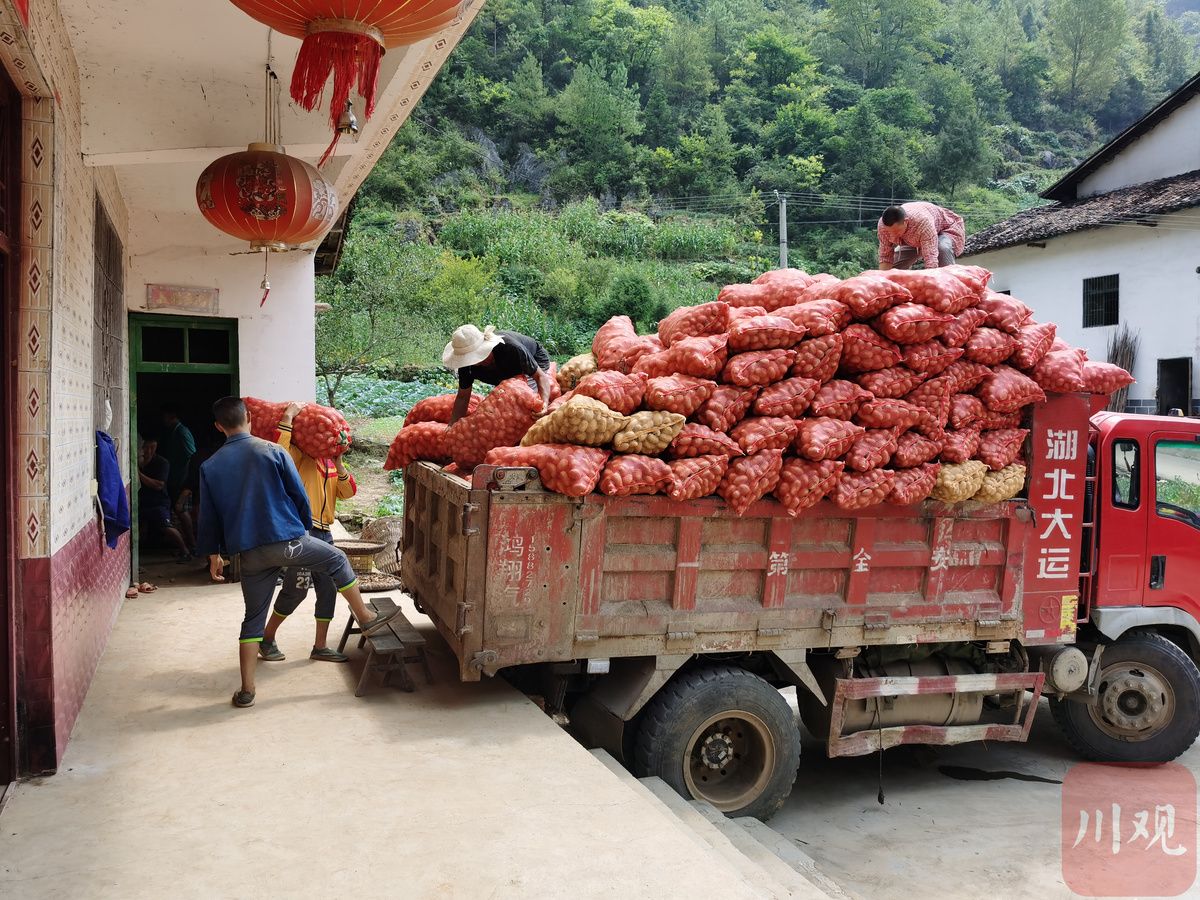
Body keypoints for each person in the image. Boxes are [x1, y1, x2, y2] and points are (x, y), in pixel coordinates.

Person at [196, 397, 397, 709]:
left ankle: (247, 690)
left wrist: (213, 555)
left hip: (249, 553)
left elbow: (208, 516)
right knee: (337, 559)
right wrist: (302, 530)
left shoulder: (210, 466)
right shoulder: (273, 450)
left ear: (219, 427)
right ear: (249, 416)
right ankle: (366, 617)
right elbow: (299, 496)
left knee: (252, 619)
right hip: (287, 540)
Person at [258, 401, 359, 664]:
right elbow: (280, 452)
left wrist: (340, 461)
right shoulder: (301, 457)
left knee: (327, 590)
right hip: (302, 532)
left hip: (325, 534)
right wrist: (289, 418)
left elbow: (347, 493)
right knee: (297, 589)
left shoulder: (330, 464)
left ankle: (320, 646)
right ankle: (266, 638)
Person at [444, 324, 553, 423]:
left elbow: (540, 377)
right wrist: (452, 425)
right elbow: (463, 397)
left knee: (526, 404)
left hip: (535, 358)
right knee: (506, 404)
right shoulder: (467, 366)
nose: (476, 362)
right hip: (504, 372)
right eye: (471, 359)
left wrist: (544, 403)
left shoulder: (511, 348)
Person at [137, 437, 192, 561]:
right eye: (146, 448)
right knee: (137, 526)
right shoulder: (139, 462)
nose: (148, 451)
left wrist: (139, 475)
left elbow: (159, 485)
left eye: (152, 448)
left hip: (159, 502)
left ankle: (185, 551)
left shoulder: (162, 463)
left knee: (166, 526)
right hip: (144, 502)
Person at [877, 202, 966, 271]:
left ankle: (949, 284)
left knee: (942, 248)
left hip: (944, 229)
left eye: (896, 231)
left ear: (906, 222)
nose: (893, 235)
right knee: (893, 269)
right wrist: (883, 282)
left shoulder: (922, 223)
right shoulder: (882, 226)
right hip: (913, 241)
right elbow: (885, 256)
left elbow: (931, 260)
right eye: (890, 232)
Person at [160, 404, 196, 504]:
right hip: (175, 476)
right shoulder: (173, 431)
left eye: (165, 417)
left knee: (181, 507)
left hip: (182, 477)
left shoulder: (182, 432)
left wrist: (189, 479)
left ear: (172, 416)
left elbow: (192, 455)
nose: (163, 420)